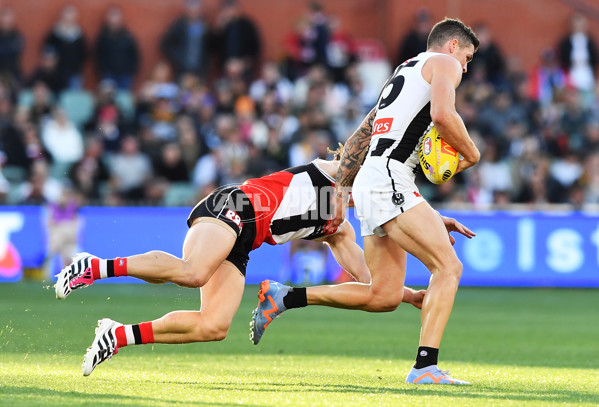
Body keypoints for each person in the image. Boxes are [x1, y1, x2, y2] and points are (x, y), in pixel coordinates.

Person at [54, 153, 432, 376]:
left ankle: (116, 336)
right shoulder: (334, 176)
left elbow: (370, 284)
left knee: (214, 326)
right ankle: (94, 267)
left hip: (244, 241)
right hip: (236, 205)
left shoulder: (338, 228)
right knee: (193, 271)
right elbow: (350, 160)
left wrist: (408, 295)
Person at [251, 18, 480, 385]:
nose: (465, 67)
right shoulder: (445, 64)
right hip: (389, 178)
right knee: (448, 268)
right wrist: (472, 154)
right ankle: (424, 368)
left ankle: (285, 298)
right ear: (452, 45)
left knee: (384, 294)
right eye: (467, 57)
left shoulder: (403, 71)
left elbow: (366, 132)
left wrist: (342, 190)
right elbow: (443, 114)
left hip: (377, 179)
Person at [160, 0, 212, 79]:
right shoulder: (179, 25)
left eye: (196, 9)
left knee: (198, 90)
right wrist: (178, 57)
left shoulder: (205, 25)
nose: (193, 12)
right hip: (182, 69)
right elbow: (165, 44)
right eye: (191, 9)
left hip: (200, 69)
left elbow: (213, 46)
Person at [94, 6, 140, 90]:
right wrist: (102, 70)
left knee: (123, 97)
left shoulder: (128, 37)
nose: (114, 23)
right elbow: (97, 56)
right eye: (112, 20)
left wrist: (130, 70)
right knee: (107, 98)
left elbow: (134, 55)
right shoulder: (102, 38)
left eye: (116, 19)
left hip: (124, 74)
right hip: (108, 74)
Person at [43, 5, 86, 89]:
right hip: (57, 72)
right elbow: (47, 50)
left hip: (74, 72)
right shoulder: (54, 34)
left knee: (73, 97)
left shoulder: (79, 35)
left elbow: (84, 53)